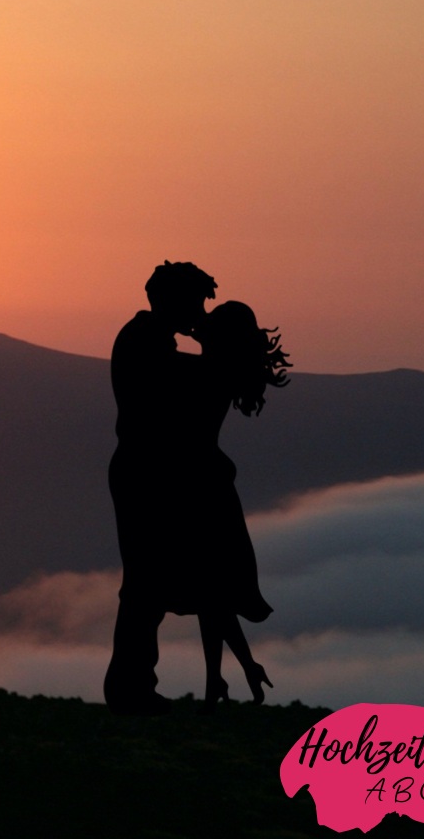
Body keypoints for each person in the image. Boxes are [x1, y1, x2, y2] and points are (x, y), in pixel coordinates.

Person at [102, 261, 216, 714]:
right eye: (196, 302)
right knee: (144, 584)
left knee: (147, 584)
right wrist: (216, 356)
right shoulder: (145, 342)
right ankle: (130, 688)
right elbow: (182, 385)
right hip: (143, 473)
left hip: (145, 471)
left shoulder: (147, 339)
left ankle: (134, 684)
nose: (199, 312)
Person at [186, 299, 289, 710]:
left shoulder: (206, 372)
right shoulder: (224, 372)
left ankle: (223, 677)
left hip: (196, 484)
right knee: (212, 588)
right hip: (210, 482)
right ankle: (223, 677)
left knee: (207, 587)